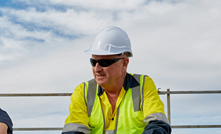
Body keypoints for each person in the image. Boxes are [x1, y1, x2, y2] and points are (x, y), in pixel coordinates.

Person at [62, 26, 171, 134]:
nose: (97, 69)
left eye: (105, 63)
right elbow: (72, 131)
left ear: (124, 63)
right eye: (93, 62)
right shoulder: (83, 91)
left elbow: (158, 125)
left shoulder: (142, 85)